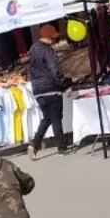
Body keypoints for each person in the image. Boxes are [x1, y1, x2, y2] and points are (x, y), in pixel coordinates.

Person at [28, 24, 70, 158]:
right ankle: (62, 148)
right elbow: (55, 70)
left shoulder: (33, 49)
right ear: (49, 37)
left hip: (38, 90)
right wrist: (64, 85)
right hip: (51, 88)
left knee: (47, 118)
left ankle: (34, 144)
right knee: (56, 118)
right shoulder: (48, 51)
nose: (55, 40)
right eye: (54, 37)